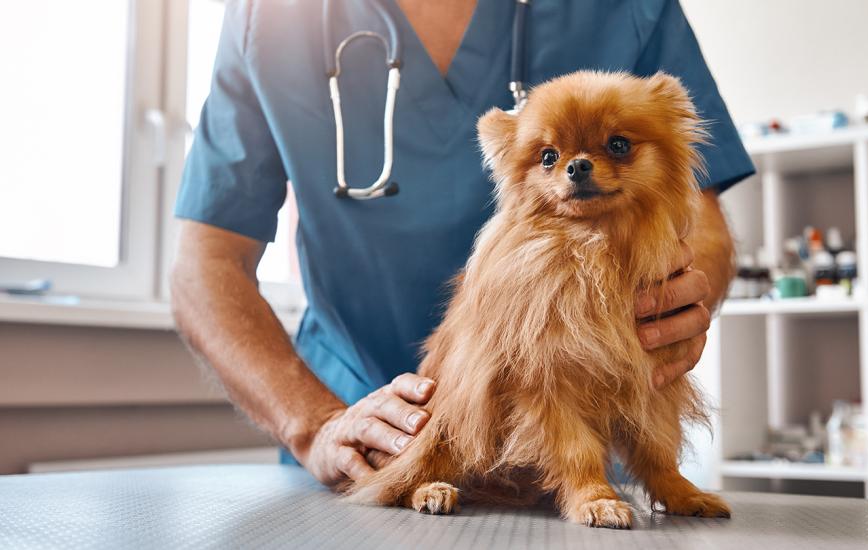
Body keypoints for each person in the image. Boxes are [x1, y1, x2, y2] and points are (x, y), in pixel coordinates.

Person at [170, 0, 754, 488]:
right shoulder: (271, 14)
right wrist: (315, 424)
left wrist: (671, 301)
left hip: (585, 439)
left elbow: (698, 212)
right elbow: (205, 263)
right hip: (352, 428)